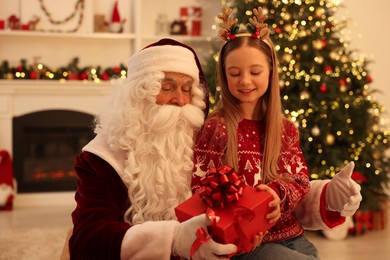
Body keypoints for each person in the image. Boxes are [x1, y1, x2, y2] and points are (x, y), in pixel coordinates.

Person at [191, 7, 361, 259]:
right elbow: (201, 189)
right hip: (246, 245)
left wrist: (278, 194)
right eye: (234, 74)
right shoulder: (217, 127)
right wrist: (241, 222)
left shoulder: (285, 128)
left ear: (271, 72)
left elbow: (300, 180)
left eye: (255, 72)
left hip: (292, 235)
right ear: (224, 76)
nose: (245, 81)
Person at [69, 38, 238, 260]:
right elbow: (87, 242)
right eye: (167, 88)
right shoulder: (101, 159)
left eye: (187, 89)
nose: (179, 99)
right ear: (138, 96)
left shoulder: (206, 144)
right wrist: (173, 239)